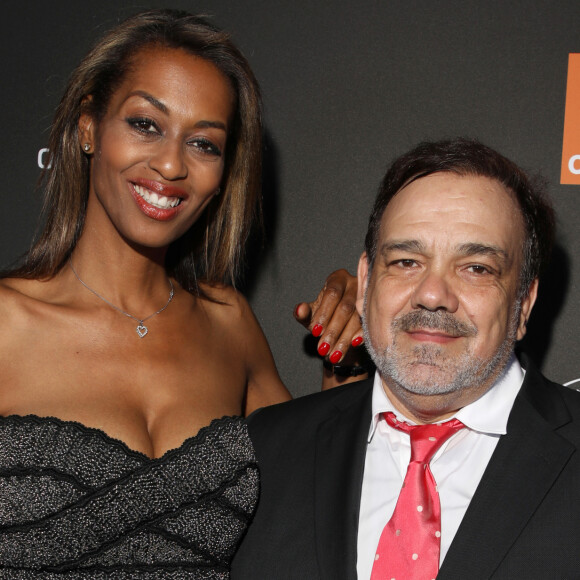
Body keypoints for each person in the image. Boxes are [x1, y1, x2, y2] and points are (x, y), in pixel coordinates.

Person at [0, 9, 363, 576]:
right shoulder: (6, 323)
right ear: (89, 127)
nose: (171, 164)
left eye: (204, 144)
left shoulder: (228, 322)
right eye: (146, 124)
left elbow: (320, 501)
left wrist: (346, 356)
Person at [231, 138, 580, 580]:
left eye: (476, 268)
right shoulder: (264, 450)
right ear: (365, 278)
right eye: (406, 261)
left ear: (524, 304)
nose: (432, 294)